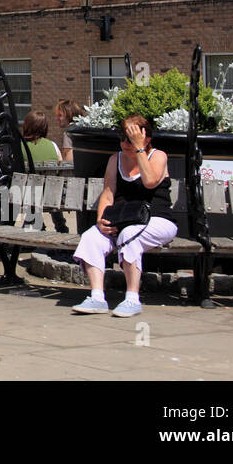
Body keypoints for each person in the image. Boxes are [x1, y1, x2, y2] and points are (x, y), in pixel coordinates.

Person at [71, 114, 177, 318]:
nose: (126, 143)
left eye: (132, 137)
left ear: (146, 138)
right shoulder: (115, 159)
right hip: (124, 219)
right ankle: (97, 297)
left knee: (129, 235)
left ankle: (132, 298)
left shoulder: (158, 156)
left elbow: (150, 181)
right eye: (123, 137)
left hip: (157, 220)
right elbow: (108, 193)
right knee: (91, 237)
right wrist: (101, 220)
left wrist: (139, 149)